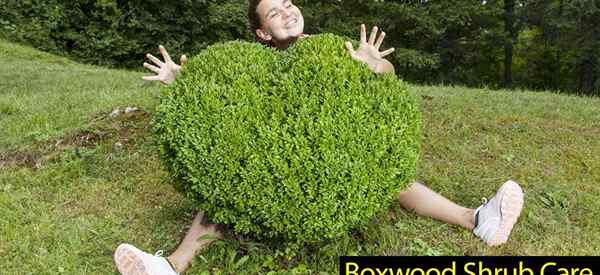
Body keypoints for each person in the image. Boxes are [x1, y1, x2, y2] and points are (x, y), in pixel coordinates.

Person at [114, 0, 525, 274]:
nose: (287, 12)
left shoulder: (334, 49)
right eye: (274, 13)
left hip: (335, 160)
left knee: (392, 179)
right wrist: (179, 84)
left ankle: (478, 220)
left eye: (289, 3)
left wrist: (374, 66)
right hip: (267, 163)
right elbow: (214, 103)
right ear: (262, 33)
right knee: (221, 196)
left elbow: (387, 82)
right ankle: (169, 266)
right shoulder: (247, 63)